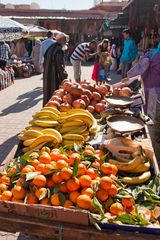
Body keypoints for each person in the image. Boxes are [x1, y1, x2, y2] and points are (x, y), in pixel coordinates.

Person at [43, 33, 69, 106]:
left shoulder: (51, 47)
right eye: (65, 40)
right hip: (54, 76)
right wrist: (64, 76)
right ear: (60, 40)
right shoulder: (59, 49)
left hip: (47, 74)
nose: (66, 42)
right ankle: (52, 109)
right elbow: (59, 65)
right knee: (55, 95)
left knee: (47, 94)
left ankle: (46, 108)